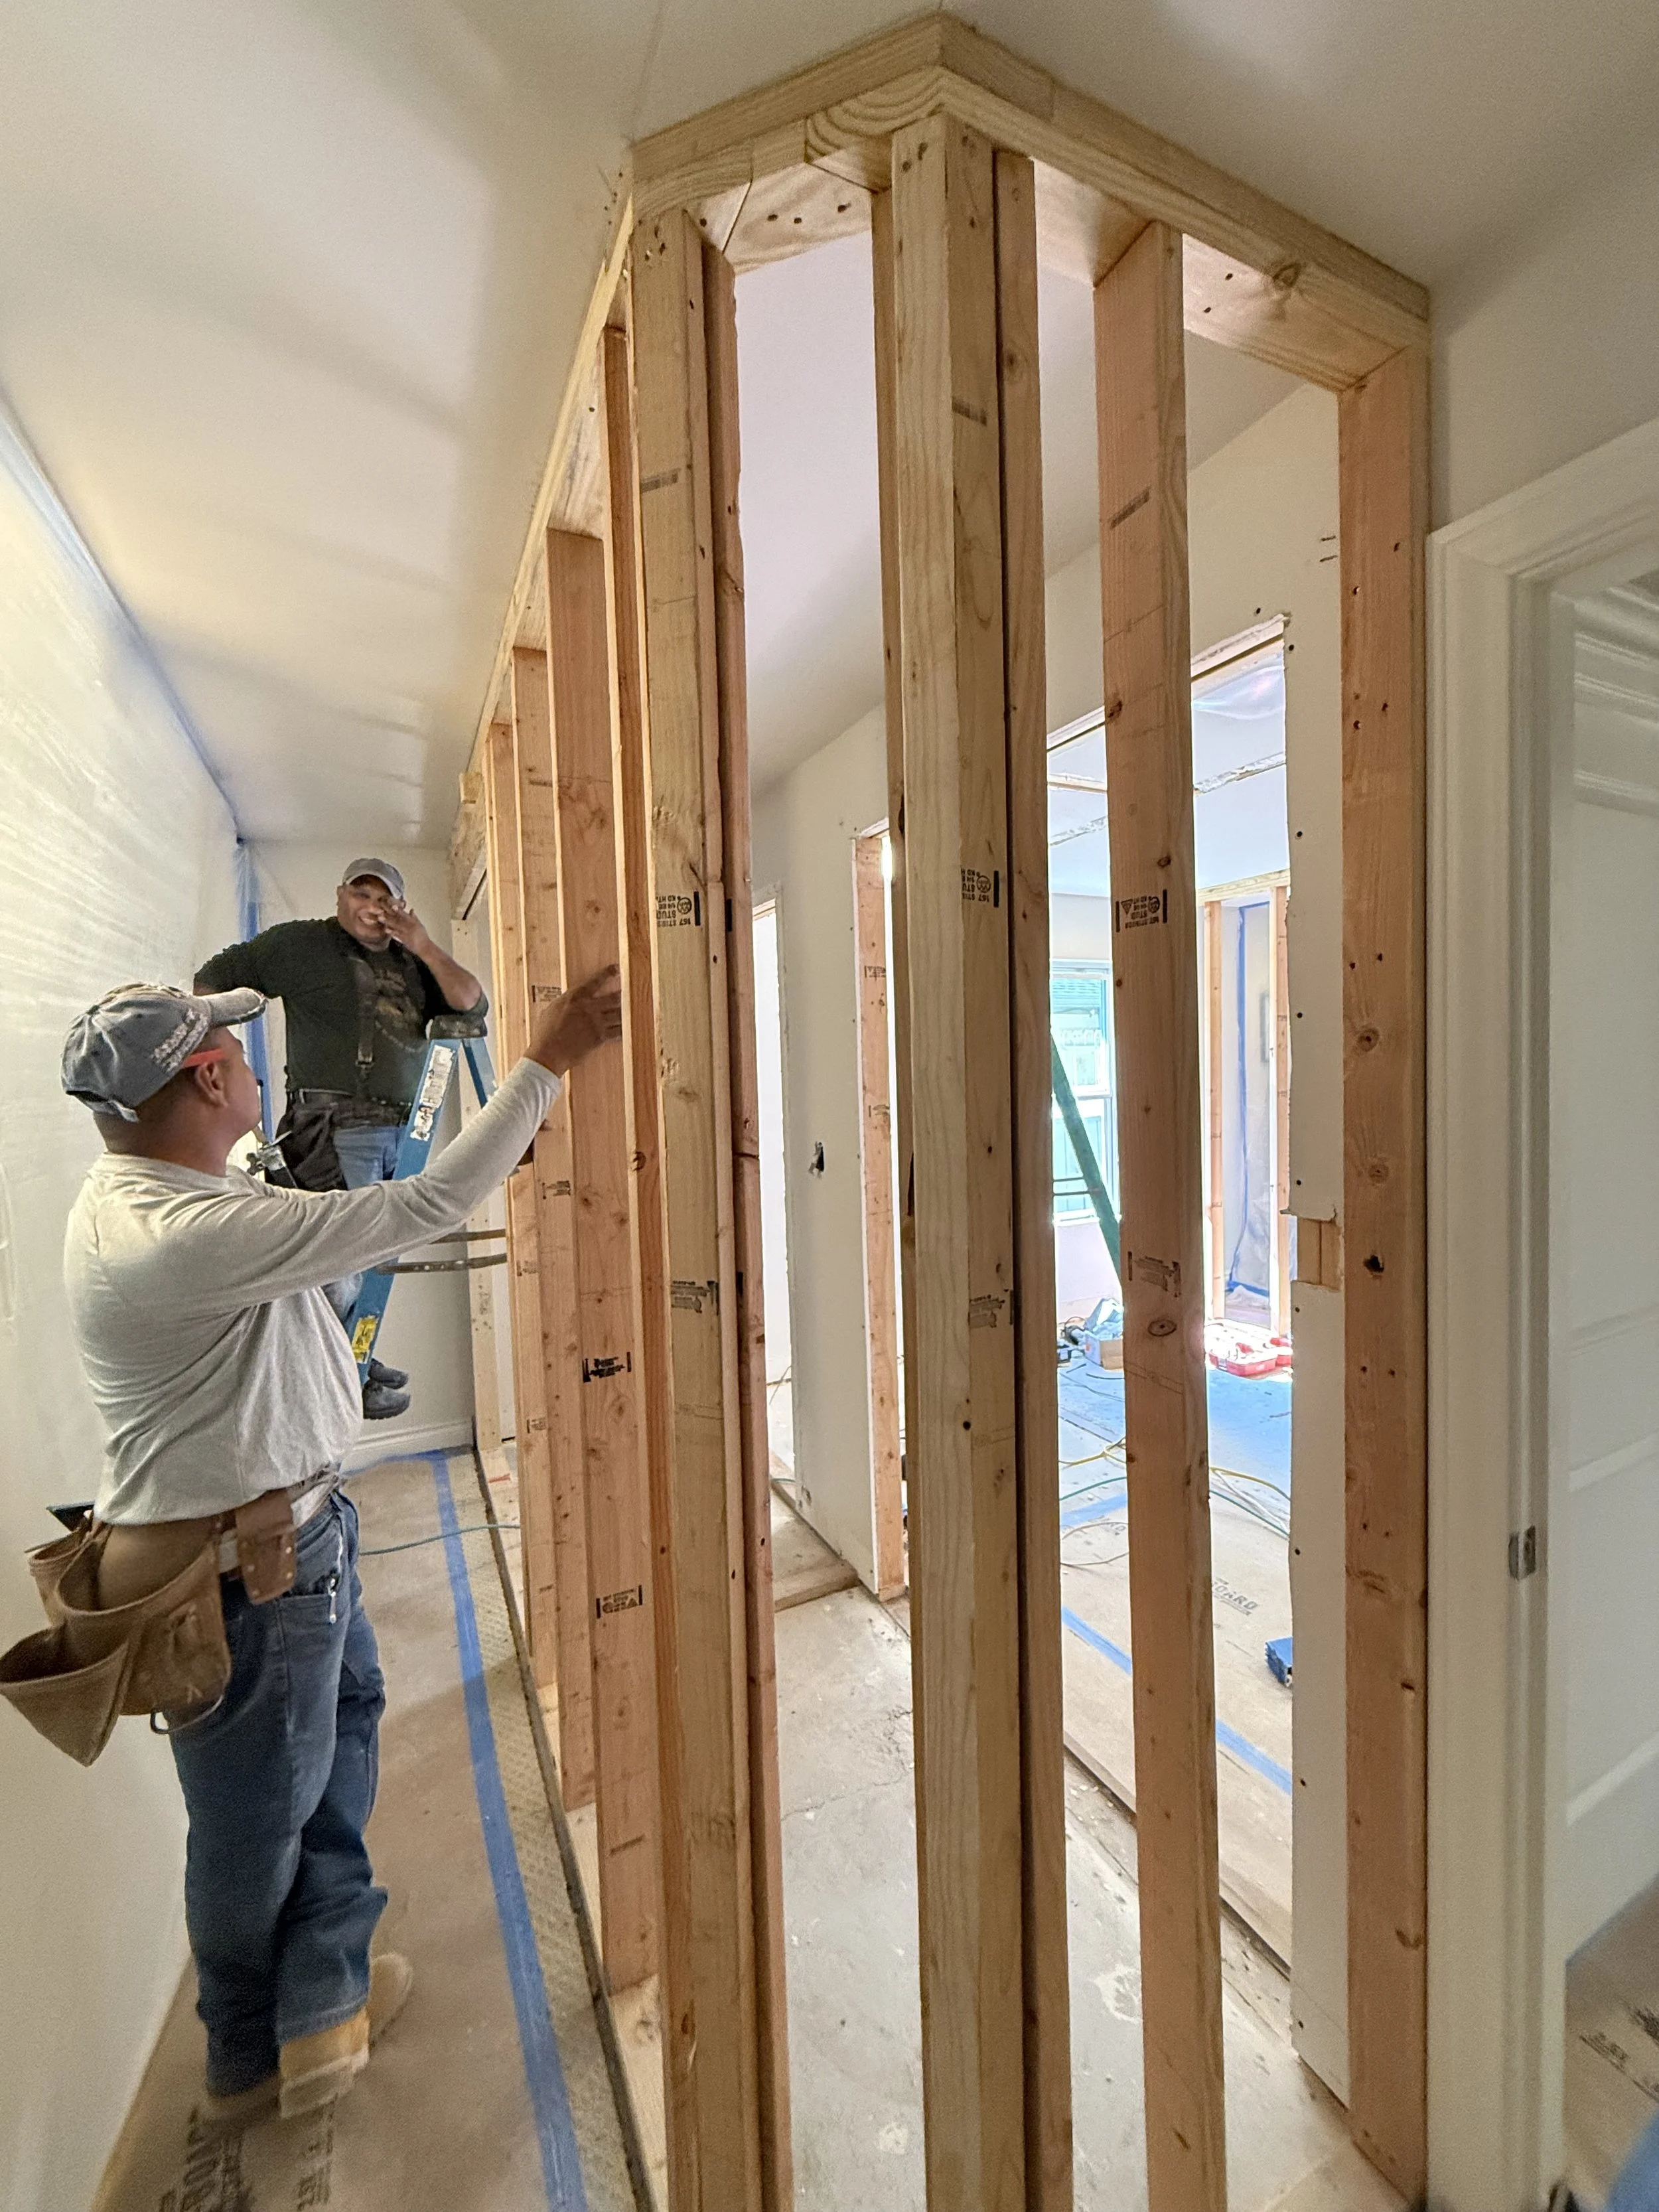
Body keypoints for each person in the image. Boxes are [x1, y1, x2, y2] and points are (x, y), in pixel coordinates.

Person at [58, 968, 621, 2132]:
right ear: (211, 1076)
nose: (257, 1064)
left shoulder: (150, 1193)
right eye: (235, 1048)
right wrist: (548, 1055)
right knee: (254, 1817)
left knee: (330, 1748)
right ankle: (244, 2049)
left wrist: (273, 1161)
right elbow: (433, 1199)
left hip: (280, 1545)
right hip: (244, 1574)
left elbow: (272, 1237)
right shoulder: (193, 1232)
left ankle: (323, 1997)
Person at [194, 859, 489, 1420]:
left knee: (364, 1264)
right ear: (341, 895)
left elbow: (472, 1003)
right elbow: (216, 975)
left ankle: (351, 1354)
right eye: (363, 892)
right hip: (333, 1128)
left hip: (400, 1134)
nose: (374, 907)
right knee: (336, 1265)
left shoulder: (413, 963)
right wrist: (222, 1054)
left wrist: (423, 942)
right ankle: (335, 1376)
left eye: (387, 899)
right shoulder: (300, 945)